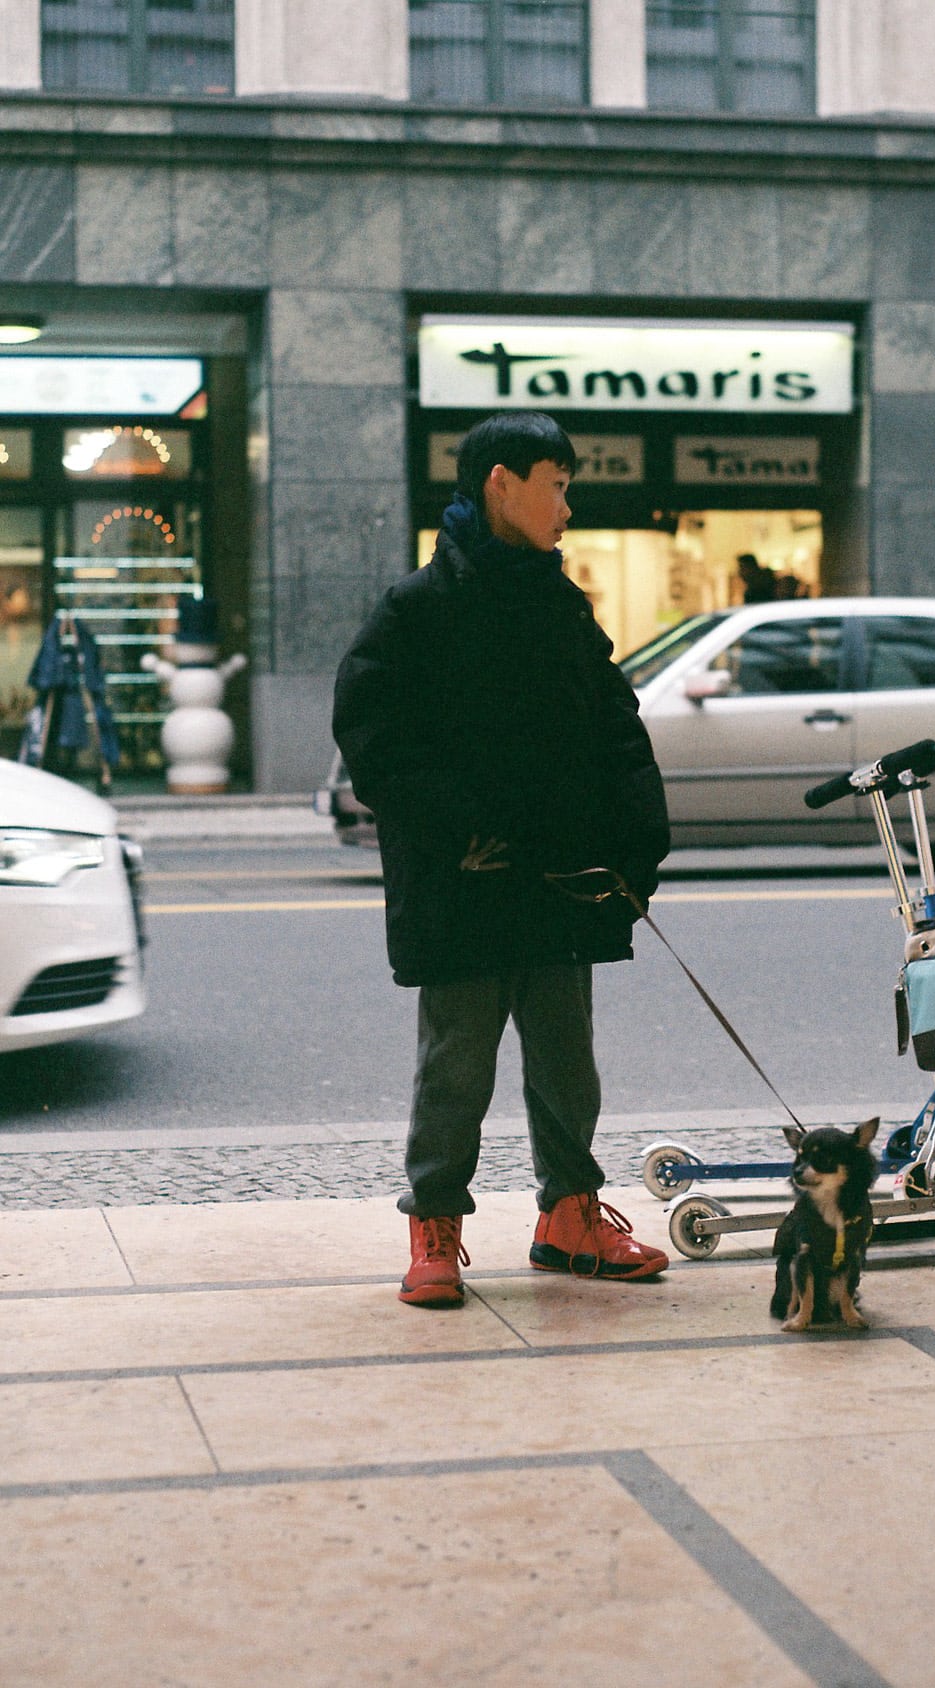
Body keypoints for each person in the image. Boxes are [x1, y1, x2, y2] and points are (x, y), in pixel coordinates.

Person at [332, 411, 672, 1308]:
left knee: (567, 1060)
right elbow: (373, 736)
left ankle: (568, 1217)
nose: (568, 505)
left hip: (561, 874)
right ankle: (434, 1226)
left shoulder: (560, 604)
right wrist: (460, 832)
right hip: (466, 878)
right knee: (457, 1063)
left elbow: (614, 725)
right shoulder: (418, 607)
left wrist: (639, 843)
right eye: (556, 484)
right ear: (500, 483)